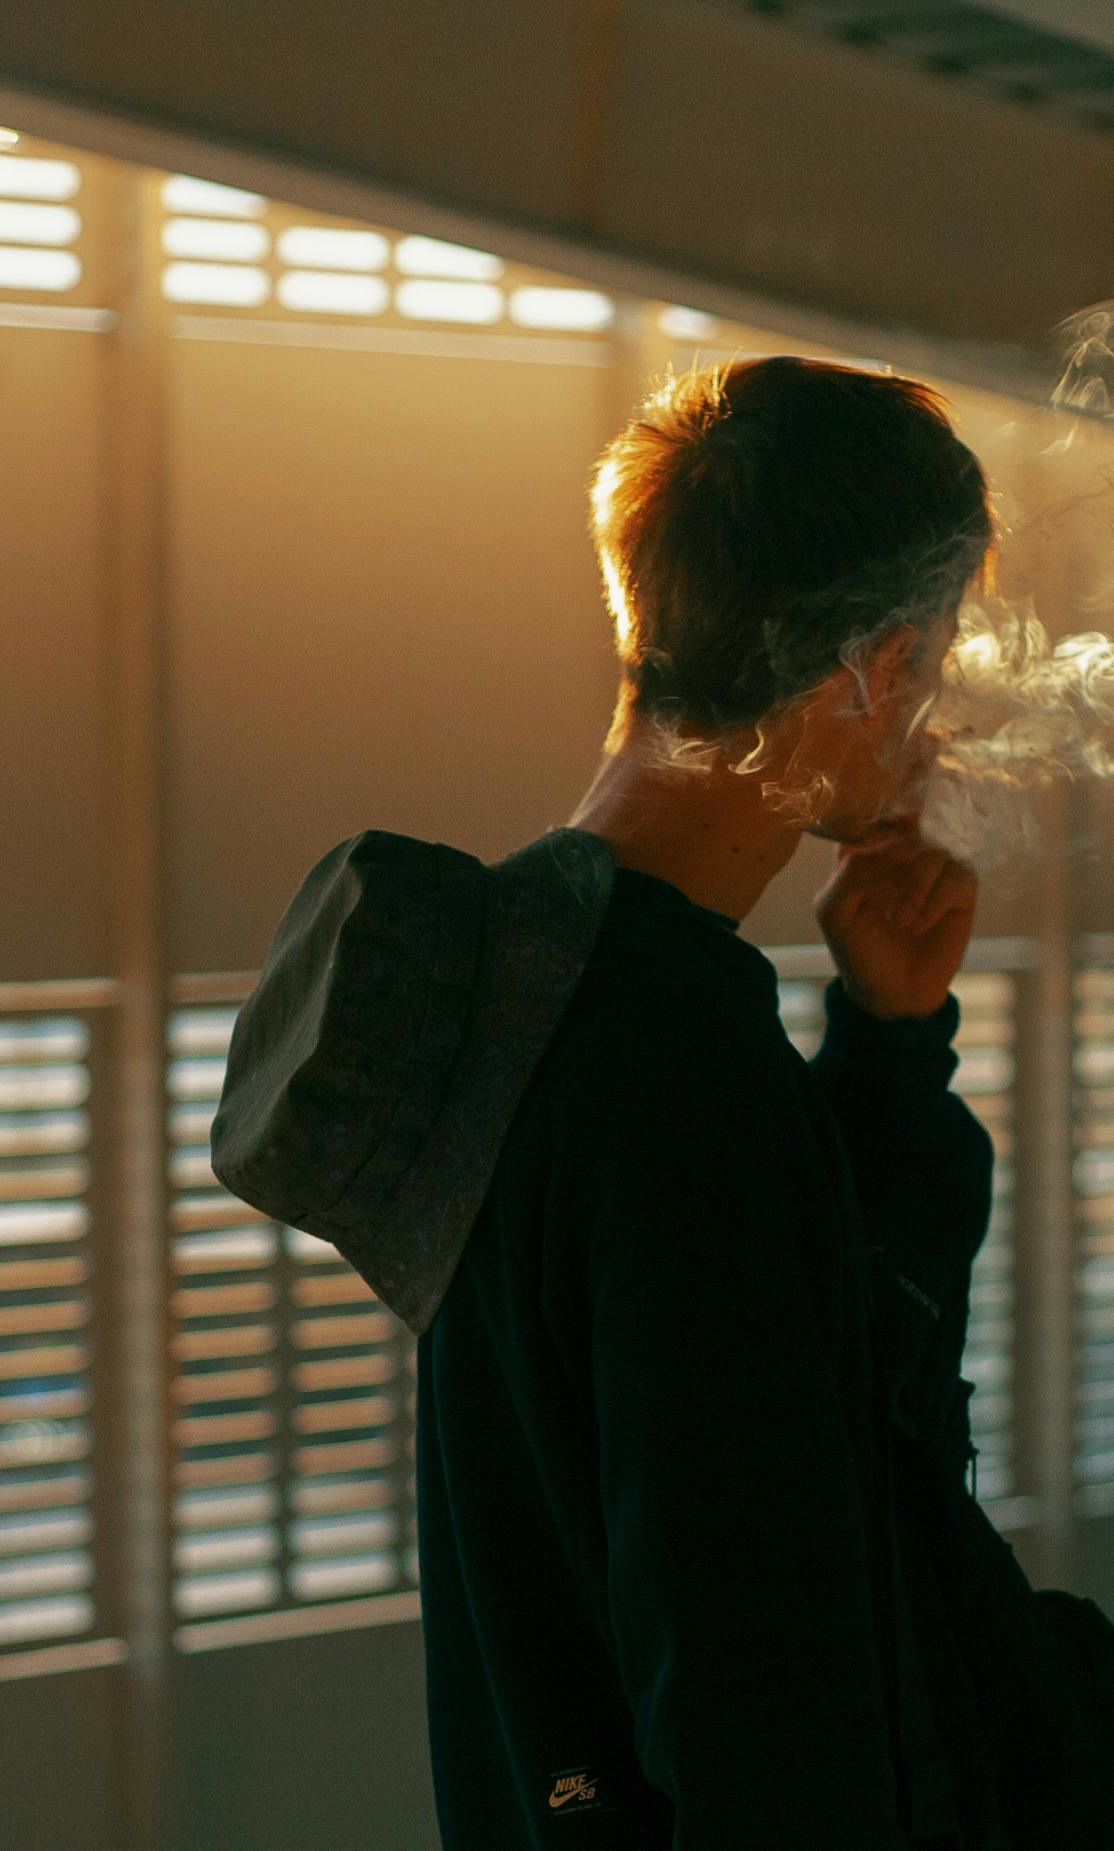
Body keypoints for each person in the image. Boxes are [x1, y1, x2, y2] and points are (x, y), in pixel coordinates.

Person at [211, 356, 1020, 1849]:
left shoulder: (538, 993)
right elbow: (759, 1700)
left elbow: (768, 1411)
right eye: (938, 656)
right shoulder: (675, 1078)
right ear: (877, 668)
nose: (935, 715)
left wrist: (887, 1050)